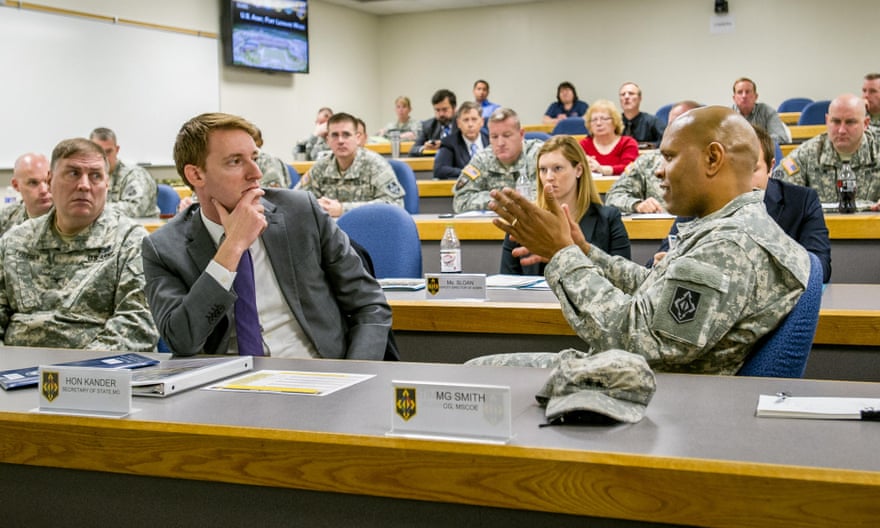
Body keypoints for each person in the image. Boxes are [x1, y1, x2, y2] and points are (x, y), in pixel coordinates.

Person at [487, 106, 811, 374]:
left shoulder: (729, 246)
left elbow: (635, 340)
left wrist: (563, 255)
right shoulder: (731, 226)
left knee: (482, 373)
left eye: (669, 157)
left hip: (648, 400)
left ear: (713, 159)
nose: (658, 172)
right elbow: (656, 289)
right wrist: (584, 251)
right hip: (650, 387)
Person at [142, 112, 391, 359]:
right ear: (196, 175)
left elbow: (369, 305)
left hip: (317, 372)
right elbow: (182, 340)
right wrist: (232, 247)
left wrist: (355, 373)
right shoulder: (163, 248)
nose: (256, 173)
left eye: (254, 158)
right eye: (235, 161)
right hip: (226, 386)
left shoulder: (301, 212)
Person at [0, 138, 158, 351]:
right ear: (50, 179)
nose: (84, 185)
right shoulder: (15, 241)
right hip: (14, 372)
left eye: (95, 176)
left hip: (94, 375)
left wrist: (73, 373)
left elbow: (138, 324)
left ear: (106, 185)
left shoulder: (129, 241)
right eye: (73, 173)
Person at [653, 125, 832, 283]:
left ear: (770, 168)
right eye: (731, 169)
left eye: (751, 170)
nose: (741, 180)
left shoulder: (801, 201)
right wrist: (662, 263)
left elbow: (820, 269)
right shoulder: (700, 199)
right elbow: (660, 258)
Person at [501, 136, 630, 275]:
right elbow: (507, 281)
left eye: (557, 168)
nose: (549, 177)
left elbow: (622, 279)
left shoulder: (608, 219)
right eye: (543, 170)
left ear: (579, 170)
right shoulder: (523, 221)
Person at [773, 93, 880, 209]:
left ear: (865, 124)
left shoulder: (877, 150)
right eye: (836, 122)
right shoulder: (806, 154)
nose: (841, 130)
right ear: (827, 120)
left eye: (850, 122)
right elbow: (779, 195)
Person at [296, 112, 404, 217]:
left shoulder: (375, 165)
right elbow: (296, 199)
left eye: (346, 134)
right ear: (328, 140)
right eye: (335, 135)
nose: (340, 140)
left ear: (357, 138)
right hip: (330, 233)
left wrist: (343, 209)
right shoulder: (321, 166)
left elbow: (396, 205)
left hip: (368, 230)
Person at [604, 100, 701, 213]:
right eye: (670, 125)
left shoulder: (713, 163)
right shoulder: (649, 161)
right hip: (659, 228)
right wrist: (637, 205)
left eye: (680, 125)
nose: (673, 131)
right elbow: (613, 196)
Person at [453, 108, 543, 213]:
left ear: (521, 134)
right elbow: (460, 201)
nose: (500, 143)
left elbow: (549, 196)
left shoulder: (540, 155)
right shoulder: (482, 159)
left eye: (507, 135)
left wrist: (497, 198)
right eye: (494, 137)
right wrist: (502, 199)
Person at [89, 127, 159, 217]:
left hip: (142, 228)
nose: (104, 157)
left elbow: (134, 209)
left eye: (108, 152)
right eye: (98, 152)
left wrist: (92, 209)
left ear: (117, 149)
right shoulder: (88, 177)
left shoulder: (135, 175)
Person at [579, 100, 639, 176]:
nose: (598, 123)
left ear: (615, 122)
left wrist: (601, 169)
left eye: (604, 119)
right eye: (594, 120)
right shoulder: (583, 145)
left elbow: (629, 168)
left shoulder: (627, 143)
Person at [433, 102, 489, 180]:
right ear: (458, 123)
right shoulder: (449, 143)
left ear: (482, 122)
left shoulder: (490, 140)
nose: (470, 124)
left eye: (474, 119)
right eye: (466, 120)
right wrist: (471, 173)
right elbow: (439, 170)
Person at [0, 152, 53, 235]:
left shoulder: (69, 216)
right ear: (16, 185)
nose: (44, 190)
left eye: (48, 181)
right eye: (33, 183)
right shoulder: (6, 218)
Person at [731, 77, 790, 145]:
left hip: (763, 153)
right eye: (740, 92)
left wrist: (754, 141)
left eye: (748, 92)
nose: (744, 96)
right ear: (734, 98)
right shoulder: (727, 115)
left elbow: (781, 138)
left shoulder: (767, 112)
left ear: (756, 96)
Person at [410, 89, 457, 157]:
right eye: (437, 110)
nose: (441, 114)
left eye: (445, 109)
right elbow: (412, 151)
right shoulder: (428, 126)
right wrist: (424, 148)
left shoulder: (463, 124)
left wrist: (443, 144)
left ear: (454, 108)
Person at [619, 82, 665, 146]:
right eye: (623, 94)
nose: (626, 97)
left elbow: (666, 142)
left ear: (640, 98)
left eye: (631, 94)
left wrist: (646, 146)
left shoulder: (652, 121)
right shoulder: (614, 123)